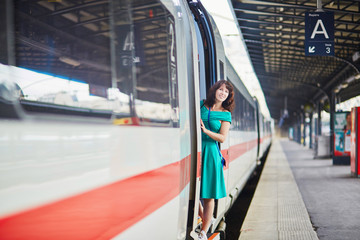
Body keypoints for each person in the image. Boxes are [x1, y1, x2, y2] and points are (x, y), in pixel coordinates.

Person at [198, 80, 235, 240]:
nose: (222, 93)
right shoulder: (201, 105)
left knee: (208, 194)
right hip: (195, 149)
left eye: (226, 92)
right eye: (220, 89)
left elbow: (221, 138)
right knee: (192, 190)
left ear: (228, 96)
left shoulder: (226, 114)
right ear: (214, 90)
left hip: (211, 152)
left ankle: (203, 232)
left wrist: (205, 131)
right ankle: (206, 218)